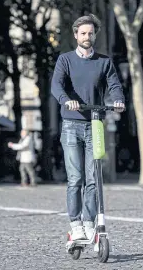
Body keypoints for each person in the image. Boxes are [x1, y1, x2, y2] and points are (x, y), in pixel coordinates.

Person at [51, 14, 125, 241]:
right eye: (82, 33)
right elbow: (57, 85)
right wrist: (66, 100)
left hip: (95, 124)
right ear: (75, 35)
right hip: (72, 124)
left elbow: (114, 85)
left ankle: (89, 222)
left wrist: (118, 100)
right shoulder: (65, 60)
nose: (87, 36)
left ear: (94, 35)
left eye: (90, 33)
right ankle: (75, 225)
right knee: (76, 178)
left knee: (94, 178)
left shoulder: (104, 62)